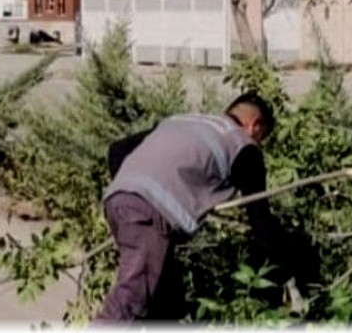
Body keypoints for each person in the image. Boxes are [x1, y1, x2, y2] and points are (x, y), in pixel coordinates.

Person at [96, 92, 299, 322]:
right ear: (255, 125)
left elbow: (117, 150)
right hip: (148, 214)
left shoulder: (182, 121)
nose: (258, 144)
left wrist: (131, 194)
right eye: (261, 138)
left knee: (168, 302)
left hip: (118, 200)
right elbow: (261, 222)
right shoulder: (242, 145)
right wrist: (288, 277)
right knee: (130, 300)